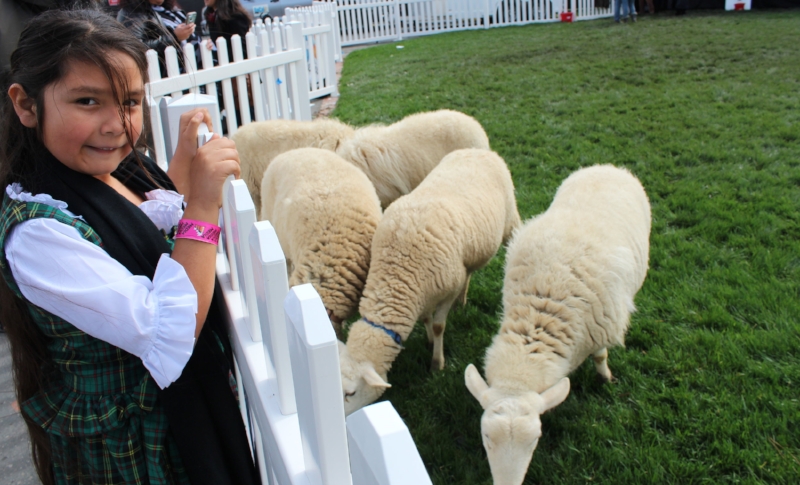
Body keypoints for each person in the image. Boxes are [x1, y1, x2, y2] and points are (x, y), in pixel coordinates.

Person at [1, 9, 260, 485]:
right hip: (135, 448)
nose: (116, 124)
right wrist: (202, 206)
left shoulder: (107, 172)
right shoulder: (37, 233)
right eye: (87, 101)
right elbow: (168, 329)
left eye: (130, 101)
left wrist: (181, 162)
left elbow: (137, 238)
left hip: (169, 418)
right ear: (26, 104)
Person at [117, 0, 183, 72]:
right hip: (152, 74)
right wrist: (173, 37)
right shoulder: (132, 12)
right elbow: (136, 47)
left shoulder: (151, 9)